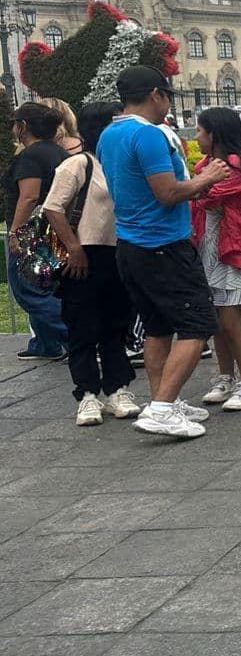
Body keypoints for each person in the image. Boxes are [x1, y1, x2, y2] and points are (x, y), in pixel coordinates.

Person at [97, 66, 231, 438]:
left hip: (132, 244)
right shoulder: (149, 136)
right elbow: (167, 193)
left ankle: (163, 401)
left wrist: (195, 187)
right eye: (167, 96)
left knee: (158, 327)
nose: (168, 104)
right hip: (161, 246)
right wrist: (207, 179)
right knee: (198, 324)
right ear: (156, 95)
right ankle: (161, 408)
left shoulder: (110, 134)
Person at [41, 102, 141, 425]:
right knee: (83, 325)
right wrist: (74, 249)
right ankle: (87, 394)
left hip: (119, 251)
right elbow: (53, 208)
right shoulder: (79, 165)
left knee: (116, 323)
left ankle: (117, 388)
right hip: (84, 253)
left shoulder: (120, 162)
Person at [191, 108, 241, 412]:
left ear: (215, 134)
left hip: (233, 250)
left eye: (200, 131)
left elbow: (205, 196)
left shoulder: (235, 165)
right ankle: (226, 377)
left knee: (230, 322)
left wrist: (182, 187)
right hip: (211, 249)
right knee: (217, 322)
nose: (196, 137)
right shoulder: (210, 164)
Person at [6, 102, 70, 361]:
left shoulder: (31, 156)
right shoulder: (57, 152)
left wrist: (15, 233)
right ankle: (46, 342)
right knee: (46, 286)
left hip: (33, 231)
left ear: (23, 127)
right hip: (53, 228)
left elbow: (29, 197)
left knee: (29, 290)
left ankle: (74, 336)